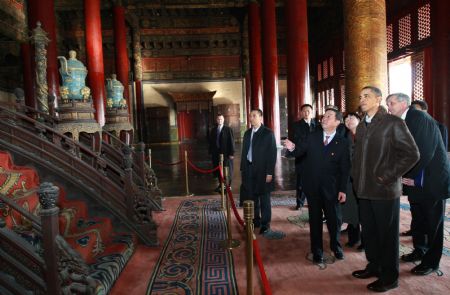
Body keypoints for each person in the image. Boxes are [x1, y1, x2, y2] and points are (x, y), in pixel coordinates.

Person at [351, 86, 419, 293]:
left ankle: (390, 277)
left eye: (367, 96)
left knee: (387, 235)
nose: (362, 99)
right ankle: (374, 266)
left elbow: (412, 154)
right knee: (370, 233)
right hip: (363, 190)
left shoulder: (393, 123)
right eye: (360, 96)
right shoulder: (362, 126)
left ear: (378, 99)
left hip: (384, 190)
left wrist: (387, 176)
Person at [386, 93, 450, 275]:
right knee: (419, 219)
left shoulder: (418, 117)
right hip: (415, 179)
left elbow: (422, 152)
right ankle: (419, 250)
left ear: (404, 103)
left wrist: (403, 174)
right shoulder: (403, 121)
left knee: (433, 223)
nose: (389, 107)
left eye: (391, 103)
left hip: (431, 180)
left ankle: (432, 262)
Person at [284, 108, 350, 263]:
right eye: (323, 116)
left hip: (332, 189)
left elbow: (345, 168)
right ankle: (317, 250)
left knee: (334, 220)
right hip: (312, 187)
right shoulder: (312, 137)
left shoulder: (342, 142)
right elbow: (299, 151)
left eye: (329, 116)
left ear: (337, 122)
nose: (324, 118)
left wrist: (342, 189)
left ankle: (336, 246)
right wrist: (292, 148)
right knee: (315, 220)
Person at [241, 109, 284, 239]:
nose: (251, 118)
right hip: (249, 169)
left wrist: (270, 173)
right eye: (250, 115)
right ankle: (256, 220)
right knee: (252, 196)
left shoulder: (267, 133)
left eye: (254, 116)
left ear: (260, 118)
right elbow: (244, 152)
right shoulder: (247, 133)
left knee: (264, 198)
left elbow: (272, 154)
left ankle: (266, 224)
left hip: (263, 170)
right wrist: (243, 168)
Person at [290, 104, 320, 210]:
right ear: (301, 113)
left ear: (312, 112)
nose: (306, 113)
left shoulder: (317, 124)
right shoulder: (296, 125)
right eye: (304, 111)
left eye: (308, 111)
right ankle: (300, 203)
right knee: (301, 183)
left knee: (315, 181)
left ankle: (314, 202)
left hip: (315, 158)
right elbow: (296, 140)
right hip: (301, 157)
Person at [341, 112, 362, 249]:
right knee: (352, 209)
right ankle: (354, 238)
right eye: (346, 119)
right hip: (349, 178)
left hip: (364, 179)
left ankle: (366, 241)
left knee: (364, 211)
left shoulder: (366, 135)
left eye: (351, 118)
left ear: (359, 119)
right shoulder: (345, 137)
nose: (348, 120)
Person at [208, 114, 235, 192]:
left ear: (223, 120)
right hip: (216, 154)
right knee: (218, 170)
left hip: (226, 154)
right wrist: (211, 152)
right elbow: (211, 142)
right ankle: (221, 185)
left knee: (227, 170)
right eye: (218, 119)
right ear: (216, 120)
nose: (220, 120)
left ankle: (228, 186)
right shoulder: (213, 130)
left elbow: (231, 142)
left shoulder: (228, 129)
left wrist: (231, 153)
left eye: (221, 119)